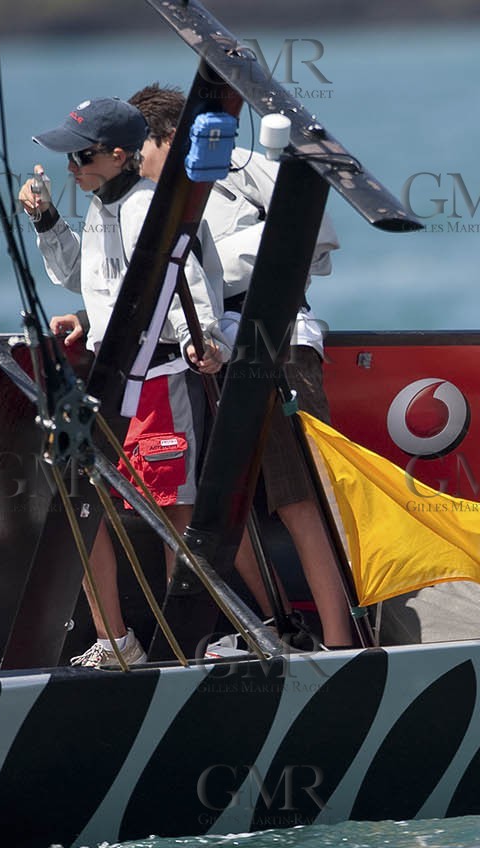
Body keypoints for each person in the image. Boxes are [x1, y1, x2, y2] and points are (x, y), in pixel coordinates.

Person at [127, 83, 353, 648]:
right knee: (215, 500)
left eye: (140, 153)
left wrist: (201, 264)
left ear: (170, 139)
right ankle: (272, 623)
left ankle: (340, 638)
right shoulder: (150, 203)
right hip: (209, 357)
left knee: (297, 494)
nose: (135, 167)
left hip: (275, 345)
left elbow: (316, 233)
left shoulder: (246, 167)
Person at [17, 96, 232, 667]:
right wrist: (46, 222)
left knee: (172, 519)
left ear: (117, 155)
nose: (70, 169)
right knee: (81, 509)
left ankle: (187, 647)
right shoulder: (98, 206)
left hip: (161, 379)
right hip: (108, 385)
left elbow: (185, 283)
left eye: (79, 157)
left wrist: (200, 338)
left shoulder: (152, 207)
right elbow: (78, 278)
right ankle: (117, 643)